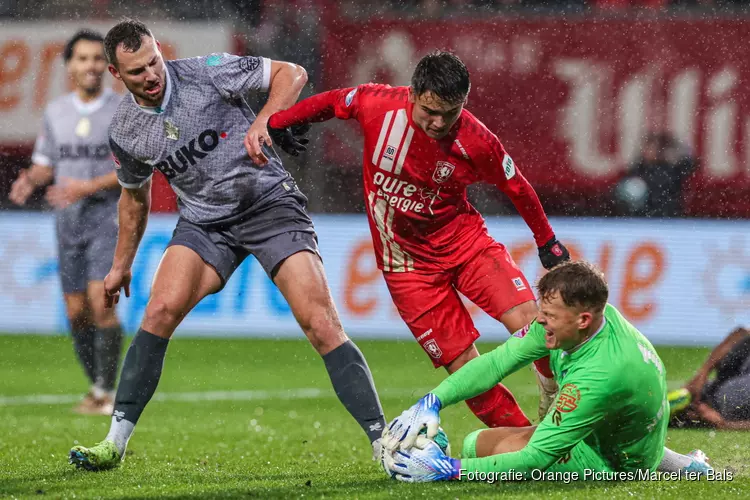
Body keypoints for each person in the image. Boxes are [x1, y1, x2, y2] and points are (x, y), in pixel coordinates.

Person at [68, 19, 385, 471]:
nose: (152, 75)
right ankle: (114, 443)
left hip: (269, 205)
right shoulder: (125, 129)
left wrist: (264, 121)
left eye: (154, 62)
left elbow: (291, 73)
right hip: (204, 223)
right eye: (137, 71)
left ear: (160, 51)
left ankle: (382, 442)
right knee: (158, 313)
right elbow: (134, 200)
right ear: (117, 75)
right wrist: (121, 266)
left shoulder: (207, 71)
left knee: (320, 323)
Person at [268, 51, 570, 428]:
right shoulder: (377, 104)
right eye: (430, 111)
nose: (439, 122)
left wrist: (547, 241)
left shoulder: (477, 141)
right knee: (465, 372)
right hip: (407, 270)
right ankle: (529, 442)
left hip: (467, 245)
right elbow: (333, 101)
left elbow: (517, 187)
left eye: (451, 112)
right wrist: (281, 121)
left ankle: (552, 384)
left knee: (531, 321)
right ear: (412, 93)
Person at [380, 261, 711, 481]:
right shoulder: (584, 316)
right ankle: (686, 465)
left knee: (474, 450)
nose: (539, 320)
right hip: (621, 429)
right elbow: (496, 363)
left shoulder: (600, 374)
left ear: (582, 320)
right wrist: (432, 402)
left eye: (548, 315)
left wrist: (448, 470)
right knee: (478, 444)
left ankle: (662, 467)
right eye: (542, 310)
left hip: (618, 463)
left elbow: (535, 459)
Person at [9, 30, 124, 416]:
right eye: (82, 58)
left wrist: (87, 186)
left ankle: (107, 393)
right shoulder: (56, 111)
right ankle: (96, 386)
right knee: (76, 312)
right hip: (67, 223)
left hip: (107, 219)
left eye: (96, 59)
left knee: (100, 304)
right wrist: (30, 179)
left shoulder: (122, 110)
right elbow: (46, 164)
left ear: (107, 67)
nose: (90, 65)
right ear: (69, 65)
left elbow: (137, 172)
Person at [669, 327, 750, 430]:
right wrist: (702, 374)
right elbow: (740, 333)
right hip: (701, 394)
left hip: (717, 415)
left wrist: (724, 424)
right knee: (658, 410)